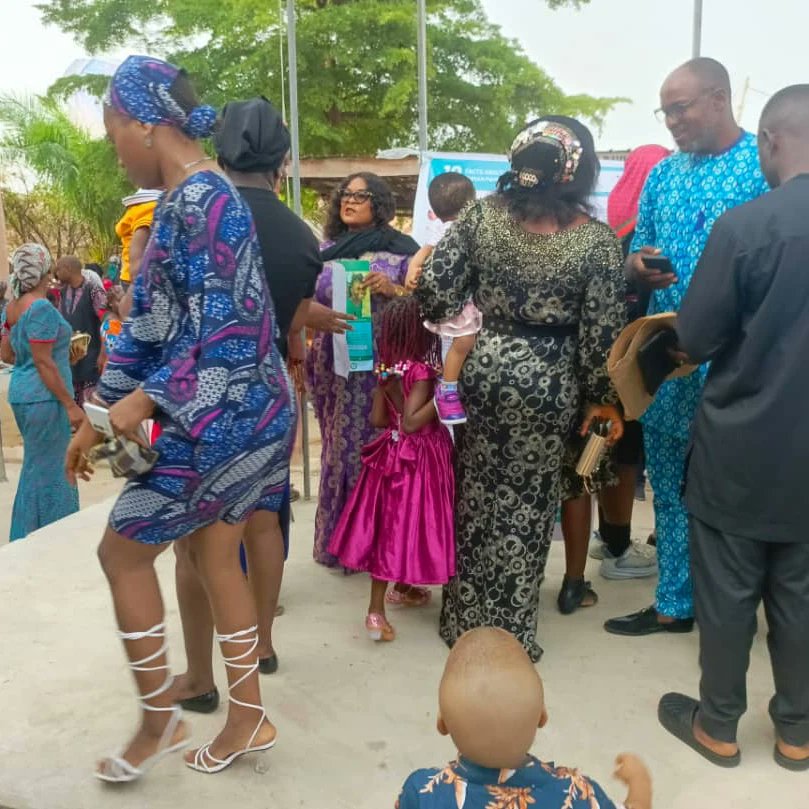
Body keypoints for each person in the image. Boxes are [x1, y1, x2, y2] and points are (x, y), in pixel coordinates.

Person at [64, 55, 295, 780]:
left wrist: (127, 409)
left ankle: (159, 715)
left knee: (123, 548)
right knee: (210, 549)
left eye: (113, 133)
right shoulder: (186, 200)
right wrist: (98, 412)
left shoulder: (203, 200)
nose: (113, 147)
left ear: (143, 121)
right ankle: (247, 714)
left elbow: (223, 334)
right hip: (237, 408)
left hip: (232, 415)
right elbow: (150, 323)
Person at [417, 117, 625, 662]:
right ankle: (509, 633)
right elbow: (601, 334)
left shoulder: (482, 218)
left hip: (481, 370)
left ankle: (463, 620)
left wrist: (470, 324)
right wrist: (600, 396)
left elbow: (435, 291)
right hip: (550, 382)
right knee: (529, 505)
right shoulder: (596, 242)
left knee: (477, 494)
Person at [657, 85, 809, 772]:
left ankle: (717, 723)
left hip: (742, 445)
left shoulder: (744, 228)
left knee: (725, 589)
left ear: (770, 141)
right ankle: (796, 731)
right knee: (802, 592)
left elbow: (694, 335)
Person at [604, 58, 769, 638]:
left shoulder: (761, 166)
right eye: (665, 110)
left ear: (720, 99)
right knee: (671, 483)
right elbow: (637, 248)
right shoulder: (664, 175)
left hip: (743, 361)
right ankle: (675, 602)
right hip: (670, 357)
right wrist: (635, 268)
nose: (672, 121)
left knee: (741, 490)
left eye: (682, 107)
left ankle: (740, 614)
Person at [172, 97, 321, 715]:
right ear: (282, 161)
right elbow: (290, 328)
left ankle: (202, 678)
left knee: (194, 539)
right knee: (264, 517)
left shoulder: (195, 217)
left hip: (204, 398)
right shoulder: (299, 235)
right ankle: (261, 645)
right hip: (268, 392)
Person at [557, 146, 670, 614]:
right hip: (627, 368)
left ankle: (606, 546)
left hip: (578, 368)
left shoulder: (602, 235)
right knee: (617, 458)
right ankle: (618, 550)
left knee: (591, 463)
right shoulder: (638, 244)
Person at [396, 628, 653, 809]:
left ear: (442, 724)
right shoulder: (577, 792)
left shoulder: (421, 792)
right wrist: (640, 783)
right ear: (541, 717)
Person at [306, 172, 419, 566]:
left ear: (380, 203)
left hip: (382, 366)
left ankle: (375, 546)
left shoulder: (402, 250)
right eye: (345, 194)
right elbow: (303, 299)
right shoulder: (322, 249)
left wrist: (394, 290)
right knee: (338, 446)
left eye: (361, 195)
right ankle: (339, 544)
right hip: (332, 364)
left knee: (377, 449)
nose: (349, 201)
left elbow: (429, 305)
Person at [328, 295, 455, 642]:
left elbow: (379, 419)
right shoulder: (424, 373)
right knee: (410, 524)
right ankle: (375, 612)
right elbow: (414, 423)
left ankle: (402, 588)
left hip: (391, 453)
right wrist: (444, 393)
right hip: (420, 458)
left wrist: (392, 393)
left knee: (392, 525)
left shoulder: (389, 368)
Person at [0, 244, 82, 542]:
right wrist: (70, 405)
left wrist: (64, 355)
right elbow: (43, 361)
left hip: (23, 394)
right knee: (56, 467)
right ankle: (55, 534)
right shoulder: (42, 308)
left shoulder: (12, 307)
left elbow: (9, 355)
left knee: (35, 466)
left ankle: (26, 532)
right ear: (45, 270)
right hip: (45, 398)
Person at [405, 172, 478, 425]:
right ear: (472, 202)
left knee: (458, 345)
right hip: (459, 304)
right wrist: (413, 270)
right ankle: (447, 390)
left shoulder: (461, 228)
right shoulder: (451, 230)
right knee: (463, 342)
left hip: (463, 300)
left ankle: (450, 384)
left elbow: (423, 251)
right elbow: (424, 250)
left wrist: (413, 269)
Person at [54, 255, 107, 405]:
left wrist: (103, 353)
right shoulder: (64, 292)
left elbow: (107, 322)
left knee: (91, 410)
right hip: (71, 361)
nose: (56, 273)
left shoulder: (93, 290)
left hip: (91, 359)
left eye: (58, 269)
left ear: (68, 269)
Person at [116, 189, 160, 292]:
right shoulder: (149, 208)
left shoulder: (136, 209)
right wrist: (137, 280)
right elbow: (138, 244)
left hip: (127, 274)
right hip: (136, 278)